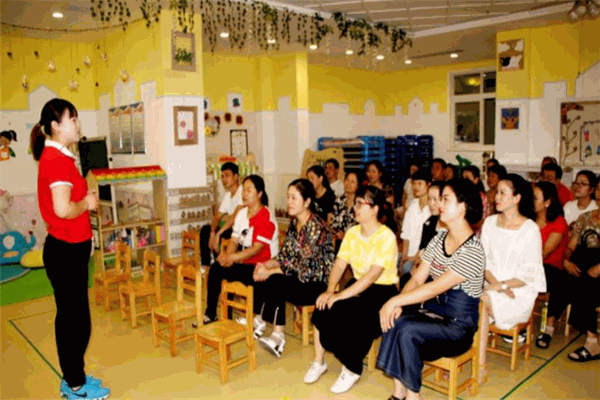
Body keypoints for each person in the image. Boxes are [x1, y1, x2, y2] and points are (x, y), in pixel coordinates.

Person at [30, 98, 111, 400]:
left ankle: (74, 375)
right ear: (55, 125)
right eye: (72, 119)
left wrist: (86, 234)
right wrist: (87, 204)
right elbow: (63, 209)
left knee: (77, 318)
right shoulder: (57, 160)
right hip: (64, 251)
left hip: (71, 249)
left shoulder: (61, 157)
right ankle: (74, 385)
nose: (77, 124)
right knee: (73, 320)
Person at [377, 179, 485, 400]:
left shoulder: (473, 250)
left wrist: (394, 301)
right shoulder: (438, 240)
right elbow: (417, 279)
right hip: (433, 316)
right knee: (394, 319)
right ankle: (399, 393)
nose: (440, 205)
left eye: (446, 199)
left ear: (463, 206)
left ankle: (414, 397)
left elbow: (435, 287)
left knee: (407, 329)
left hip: (457, 328)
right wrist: (398, 302)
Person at [304, 186, 399, 394]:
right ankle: (319, 362)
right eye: (354, 203)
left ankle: (351, 368)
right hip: (356, 285)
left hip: (382, 291)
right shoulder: (352, 233)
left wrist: (340, 296)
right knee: (322, 307)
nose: (354, 208)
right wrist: (330, 290)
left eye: (359, 204)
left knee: (354, 316)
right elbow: (339, 264)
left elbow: (372, 276)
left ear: (374, 209)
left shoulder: (387, 237)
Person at [253, 179, 335, 357]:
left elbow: (300, 265)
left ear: (307, 202)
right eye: (288, 197)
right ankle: (263, 323)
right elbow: (284, 256)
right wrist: (266, 265)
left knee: (275, 281)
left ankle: (275, 334)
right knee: (266, 276)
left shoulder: (316, 227)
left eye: (293, 198)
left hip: (315, 284)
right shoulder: (294, 224)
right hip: (298, 278)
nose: (288, 202)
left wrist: (270, 271)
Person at [479, 174, 546, 379]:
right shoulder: (490, 222)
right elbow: (483, 261)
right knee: (463, 295)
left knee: (481, 301)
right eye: (496, 192)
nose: (496, 197)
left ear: (517, 198)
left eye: (502, 193)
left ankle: (479, 365)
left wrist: (502, 286)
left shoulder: (530, 229)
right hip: (492, 283)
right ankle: (464, 353)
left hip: (518, 291)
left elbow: (531, 273)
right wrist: (496, 284)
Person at [203, 175, 278, 324]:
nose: (244, 194)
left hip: (263, 265)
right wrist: (226, 257)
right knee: (216, 268)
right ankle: (211, 313)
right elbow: (234, 241)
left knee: (254, 276)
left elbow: (257, 249)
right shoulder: (242, 213)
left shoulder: (265, 215)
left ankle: (255, 315)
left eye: (249, 190)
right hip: (244, 262)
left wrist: (232, 258)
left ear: (259, 194)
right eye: (244, 190)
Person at [543, 178, 600, 362]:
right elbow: (571, 246)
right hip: (582, 263)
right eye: (599, 189)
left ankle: (593, 343)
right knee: (562, 278)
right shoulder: (586, 217)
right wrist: (566, 260)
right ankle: (549, 328)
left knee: (585, 286)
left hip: (597, 269)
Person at [532, 182, 569, 349]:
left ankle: (548, 328)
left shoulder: (558, 222)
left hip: (552, 268)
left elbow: (544, 254)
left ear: (547, 202)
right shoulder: (528, 220)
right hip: (531, 266)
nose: (530, 201)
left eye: (535, 198)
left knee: (558, 282)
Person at [200, 162, 242, 267]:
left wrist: (218, 234)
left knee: (223, 234)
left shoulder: (242, 192)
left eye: (227, 176)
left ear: (236, 176)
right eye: (222, 176)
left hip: (239, 231)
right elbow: (217, 217)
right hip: (229, 228)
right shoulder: (228, 195)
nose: (224, 179)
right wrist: (212, 233)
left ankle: (218, 263)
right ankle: (206, 266)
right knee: (206, 229)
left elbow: (233, 219)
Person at [400, 170, 431, 275]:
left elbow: (429, 241)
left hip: (424, 257)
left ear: (428, 185)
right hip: (409, 254)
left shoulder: (432, 209)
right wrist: (404, 257)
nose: (416, 187)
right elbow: (406, 234)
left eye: (419, 183)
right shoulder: (412, 206)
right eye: (414, 183)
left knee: (408, 268)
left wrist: (414, 258)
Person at [331, 171, 362, 248]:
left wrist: (346, 236)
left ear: (358, 185)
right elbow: (333, 222)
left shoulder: (361, 203)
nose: (348, 184)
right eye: (347, 180)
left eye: (352, 182)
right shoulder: (338, 200)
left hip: (356, 244)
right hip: (338, 242)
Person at [462, 165, 489, 231]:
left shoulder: (482, 197)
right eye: (463, 178)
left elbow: (483, 220)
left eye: (467, 178)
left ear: (476, 180)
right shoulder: (460, 195)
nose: (465, 181)